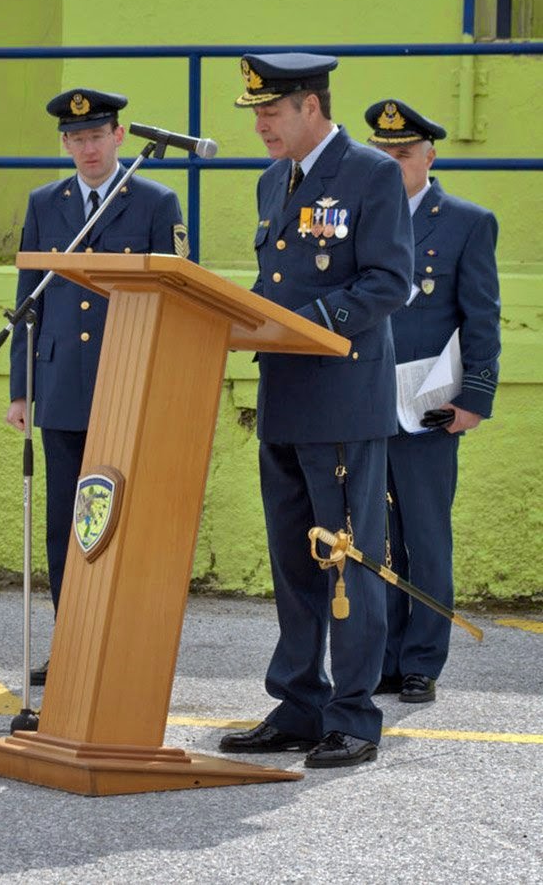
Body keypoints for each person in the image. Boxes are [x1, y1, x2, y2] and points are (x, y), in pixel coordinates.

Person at [219, 54, 413, 768]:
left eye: (271, 110)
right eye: (257, 112)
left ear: (311, 104)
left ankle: (353, 716)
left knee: (346, 561)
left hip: (341, 398)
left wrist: (311, 322)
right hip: (285, 397)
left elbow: (389, 281)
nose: (262, 124)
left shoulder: (370, 173)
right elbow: (278, 278)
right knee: (294, 563)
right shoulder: (275, 181)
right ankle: (299, 703)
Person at [6, 88, 187, 685]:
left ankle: (126, 645)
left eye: (97, 136)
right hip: (60, 386)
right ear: (65, 144)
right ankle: (72, 643)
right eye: (76, 139)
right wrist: (21, 389)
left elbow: (177, 299)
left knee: (126, 519)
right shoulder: (45, 203)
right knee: (68, 522)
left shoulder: (157, 201)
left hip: (128, 379)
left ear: (119, 137)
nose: (87, 147)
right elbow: (26, 302)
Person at [364, 99, 501, 702]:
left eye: (404, 154)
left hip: (425, 404)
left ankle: (422, 660)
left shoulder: (466, 222)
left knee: (424, 535)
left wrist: (474, 397)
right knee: (373, 535)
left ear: (429, 156)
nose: (394, 166)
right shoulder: (361, 217)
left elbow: (482, 318)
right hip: (363, 398)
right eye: (383, 155)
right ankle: (385, 656)